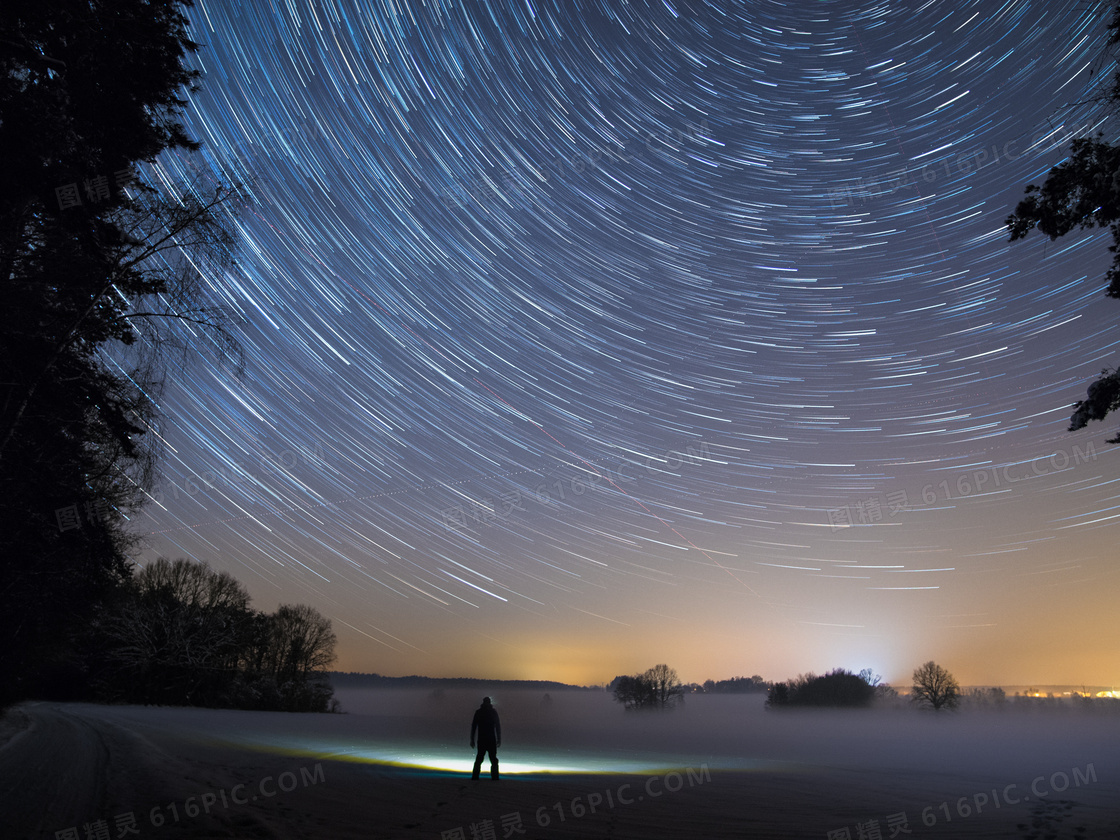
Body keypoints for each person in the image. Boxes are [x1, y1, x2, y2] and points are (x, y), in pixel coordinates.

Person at [469, 696, 501, 780]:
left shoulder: (479, 712)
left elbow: (474, 726)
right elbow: (497, 726)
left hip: (483, 739)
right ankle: (494, 777)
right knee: (492, 759)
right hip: (490, 739)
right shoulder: (492, 712)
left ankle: (475, 776)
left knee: (481, 758)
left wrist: (472, 739)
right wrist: (499, 738)